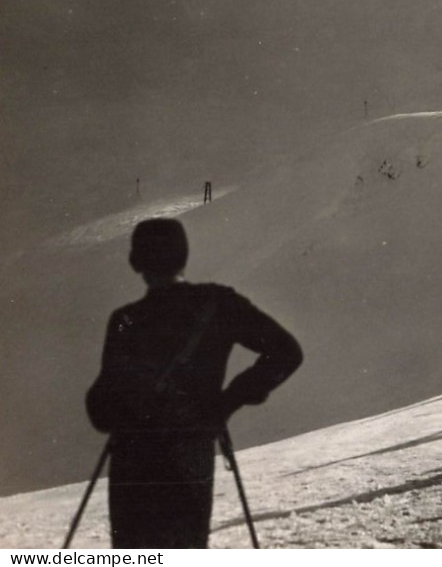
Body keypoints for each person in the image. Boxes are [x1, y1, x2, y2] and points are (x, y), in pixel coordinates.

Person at [86, 218, 303, 549]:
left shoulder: (126, 320)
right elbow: (287, 351)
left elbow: (100, 411)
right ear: (183, 256)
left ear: (136, 262)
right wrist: (225, 404)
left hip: (133, 464)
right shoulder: (217, 303)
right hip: (189, 454)